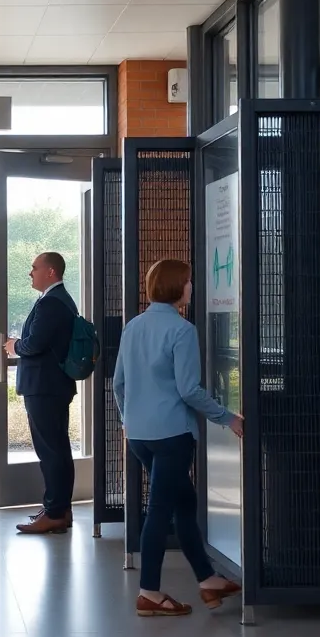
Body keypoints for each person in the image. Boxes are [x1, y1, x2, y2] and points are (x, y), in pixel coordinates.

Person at [113, 259, 244, 617]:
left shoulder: (133, 327)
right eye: (188, 282)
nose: (191, 287)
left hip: (139, 436)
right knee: (159, 510)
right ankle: (149, 593)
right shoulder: (183, 330)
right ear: (176, 287)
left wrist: (128, 419)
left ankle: (208, 580)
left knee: (184, 503)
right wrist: (228, 417)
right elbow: (189, 390)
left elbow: (119, 383)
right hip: (172, 435)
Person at [4, 252, 78, 535]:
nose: (30, 272)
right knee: (58, 449)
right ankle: (59, 509)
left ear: (50, 272)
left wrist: (14, 346)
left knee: (51, 451)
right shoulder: (60, 300)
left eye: (34, 268)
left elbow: (34, 344)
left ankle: (55, 512)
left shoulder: (51, 303)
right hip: (52, 387)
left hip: (44, 387)